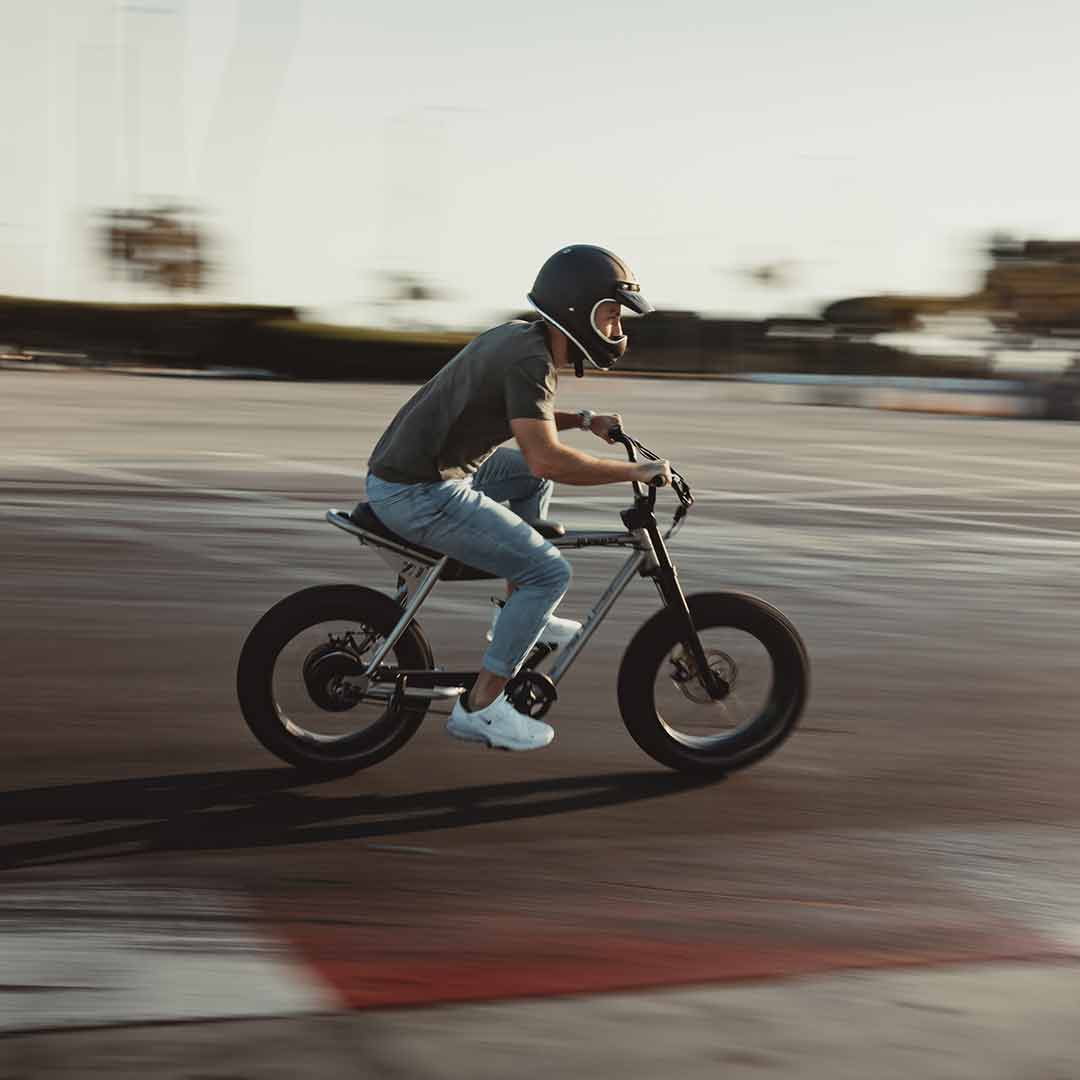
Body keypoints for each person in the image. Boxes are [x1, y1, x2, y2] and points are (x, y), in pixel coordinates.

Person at [364, 245, 671, 751]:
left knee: (527, 483)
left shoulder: (523, 340)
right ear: (580, 311)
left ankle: (520, 614)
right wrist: (635, 471)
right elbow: (546, 457)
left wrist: (584, 421)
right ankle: (481, 708)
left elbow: (524, 415)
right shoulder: (530, 360)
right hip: (419, 491)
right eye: (612, 316)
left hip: (413, 474)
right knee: (548, 571)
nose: (618, 331)